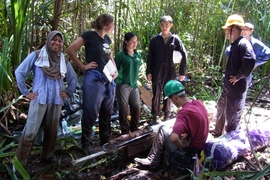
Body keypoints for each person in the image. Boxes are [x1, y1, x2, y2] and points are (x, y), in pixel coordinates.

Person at [15, 30, 77, 166]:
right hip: (39, 98)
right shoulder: (37, 56)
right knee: (31, 130)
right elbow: (19, 72)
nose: (57, 43)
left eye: (60, 41)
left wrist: (68, 92)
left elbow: (73, 78)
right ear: (48, 41)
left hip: (56, 99)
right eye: (54, 40)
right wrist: (25, 92)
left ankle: (47, 155)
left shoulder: (63, 60)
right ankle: (20, 162)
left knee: (52, 129)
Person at [66, 14, 118, 153]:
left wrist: (116, 70)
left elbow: (110, 56)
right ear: (105, 25)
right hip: (94, 77)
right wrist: (83, 66)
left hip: (108, 78)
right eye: (112, 24)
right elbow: (70, 50)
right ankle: (86, 143)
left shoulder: (107, 39)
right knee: (91, 111)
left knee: (107, 111)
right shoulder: (89, 35)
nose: (113, 26)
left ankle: (105, 139)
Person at [134, 80, 209, 171]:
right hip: (199, 149)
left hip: (189, 152)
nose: (171, 102)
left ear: (175, 97)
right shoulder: (198, 103)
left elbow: (173, 138)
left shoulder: (184, 113)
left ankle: (152, 162)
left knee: (162, 129)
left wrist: (182, 145)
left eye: (171, 99)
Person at [211, 14, 256, 137]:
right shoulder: (234, 44)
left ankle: (230, 137)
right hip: (228, 86)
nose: (226, 32)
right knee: (221, 107)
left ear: (234, 29)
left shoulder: (243, 44)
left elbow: (250, 60)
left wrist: (238, 76)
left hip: (236, 88)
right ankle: (218, 132)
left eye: (227, 29)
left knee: (232, 113)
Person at [146, 15, 188, 124]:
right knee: (156, 93)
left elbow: (184, 54)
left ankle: (166, 116)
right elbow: (149, 56)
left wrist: (182, 72)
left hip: (170, 70)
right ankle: (155, 116)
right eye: (162, 25)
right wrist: (149, 71)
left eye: (167, 25)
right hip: (157, 69)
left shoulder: (175, 39)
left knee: (169, 93)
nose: (164, 27)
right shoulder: (155, 40)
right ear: (160, 25)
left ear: (171, 26)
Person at [225, 22, 270, 87]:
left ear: (251, 31)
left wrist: (255, 63)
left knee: (242, 91)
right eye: (242, 29)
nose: (243, 31)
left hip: (245, 73)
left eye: (245, 29)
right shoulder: (238, 42)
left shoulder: (255, 44)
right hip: (235, 72)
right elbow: (228, 52)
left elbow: (268, 53)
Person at [115, 32, 141, 134]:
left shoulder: (137, 55)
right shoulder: (121, 55)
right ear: (126, 42)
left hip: (134, 85)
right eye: (132, 42)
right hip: (123, 84)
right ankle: (125, 131)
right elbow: (114, 69)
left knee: (136, 107)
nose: (135, 44)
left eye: (136, 42)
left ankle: (134, 128)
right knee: (124, 108)